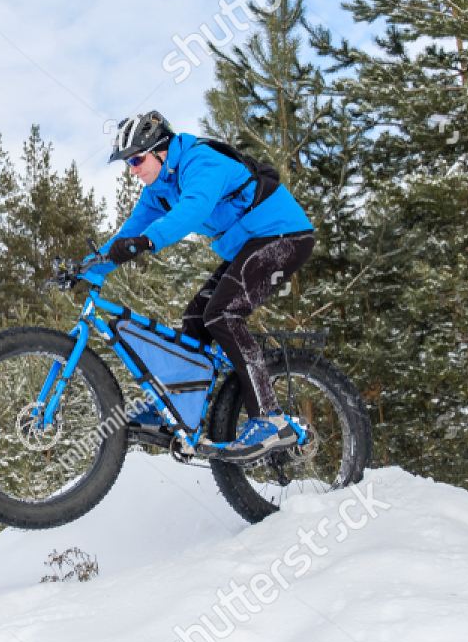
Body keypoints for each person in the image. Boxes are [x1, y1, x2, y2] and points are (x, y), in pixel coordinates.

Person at [98, 111, 315, 462]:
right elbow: (128, 232)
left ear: (161, 150)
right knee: (196, 321)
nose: (133, 170)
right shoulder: (158, 189)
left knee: (224, 314)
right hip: (250, 245)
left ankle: (271, 418)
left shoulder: (200, 160)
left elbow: (192, 210)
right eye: (128, 163)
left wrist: (147, 242)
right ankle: (180, 415)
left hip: (284, 236)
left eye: (136, 159)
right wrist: (89, 267)